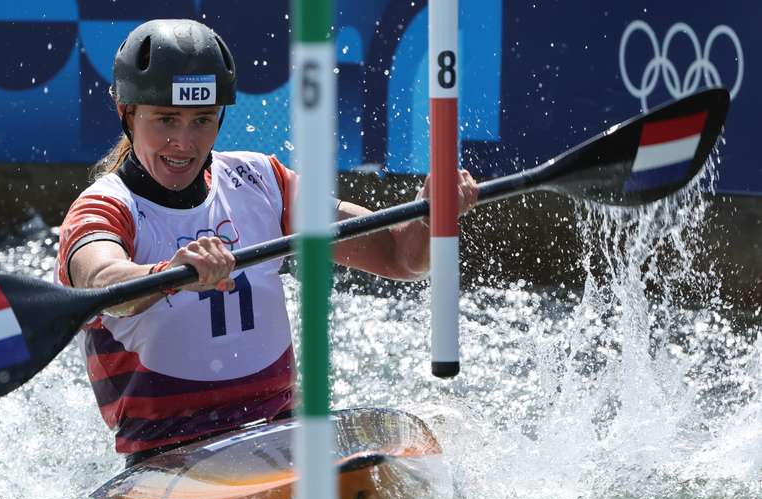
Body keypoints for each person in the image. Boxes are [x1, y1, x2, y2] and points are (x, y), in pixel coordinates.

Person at [55, 19, 478, 467]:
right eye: (165, 120)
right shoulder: (102, 209)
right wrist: (169, 274)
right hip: (169, 459)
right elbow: (101, 283)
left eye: (202, 119)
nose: (184, 141)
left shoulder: (261, 182)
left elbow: (399, 255)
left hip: (280, 437)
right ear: (127, 112)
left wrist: (430, 214)